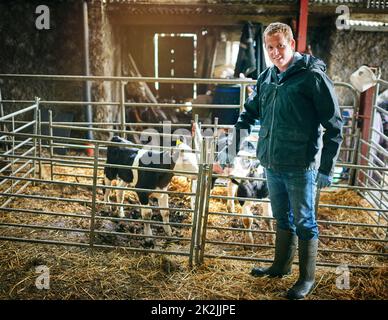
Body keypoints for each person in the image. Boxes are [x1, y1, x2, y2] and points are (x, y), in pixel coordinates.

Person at [218, 22, 343, 299]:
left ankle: (306, 279)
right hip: (272, 163)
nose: (275, 52)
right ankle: (280, 266)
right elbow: (247, 116)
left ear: (292, 43)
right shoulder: (266, 78)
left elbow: (334, 124)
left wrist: (327, 167)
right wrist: (230, 151)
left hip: (301, 165)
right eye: (270, 48)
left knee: (305, 222)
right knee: (282, 218)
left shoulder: (311, 77)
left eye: (281, 46)